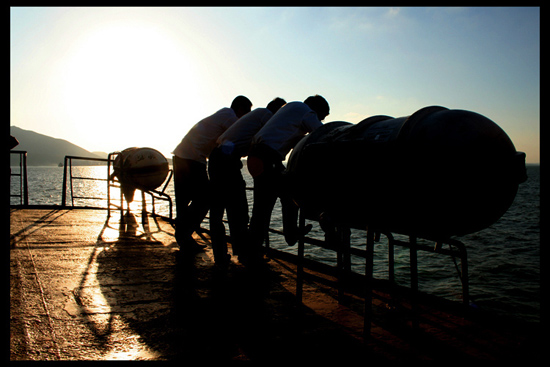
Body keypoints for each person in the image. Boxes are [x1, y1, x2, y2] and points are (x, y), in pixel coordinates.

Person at [247, 95, 329, 264]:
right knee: (290, 193)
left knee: (262, 208)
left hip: (257, 155)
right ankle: (290, 234)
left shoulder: (292, 109)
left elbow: (290, 137)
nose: (321, 119)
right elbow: (322, 134)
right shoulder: (306, 112)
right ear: (316, 109)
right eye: (323, 115)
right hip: (268, 157)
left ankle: (251, 253)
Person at [208, 98, 286, 266]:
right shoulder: (267, 117)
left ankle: (223, 255)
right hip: (226, 160)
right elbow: (266, 143)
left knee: (219, 211)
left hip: (219, 158)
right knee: (238, 210)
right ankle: (245, 255)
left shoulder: (259, 114)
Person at [172, 95, 252, 254]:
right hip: (192, 159)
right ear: (241, 109)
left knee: (187, 200)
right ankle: (184, 234)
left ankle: (184, 237)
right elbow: (240, 136)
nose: (246, 117)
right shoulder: (230, 118)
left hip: (183, 156)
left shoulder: (222, 115)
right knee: (204, 200)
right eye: (247, 113)